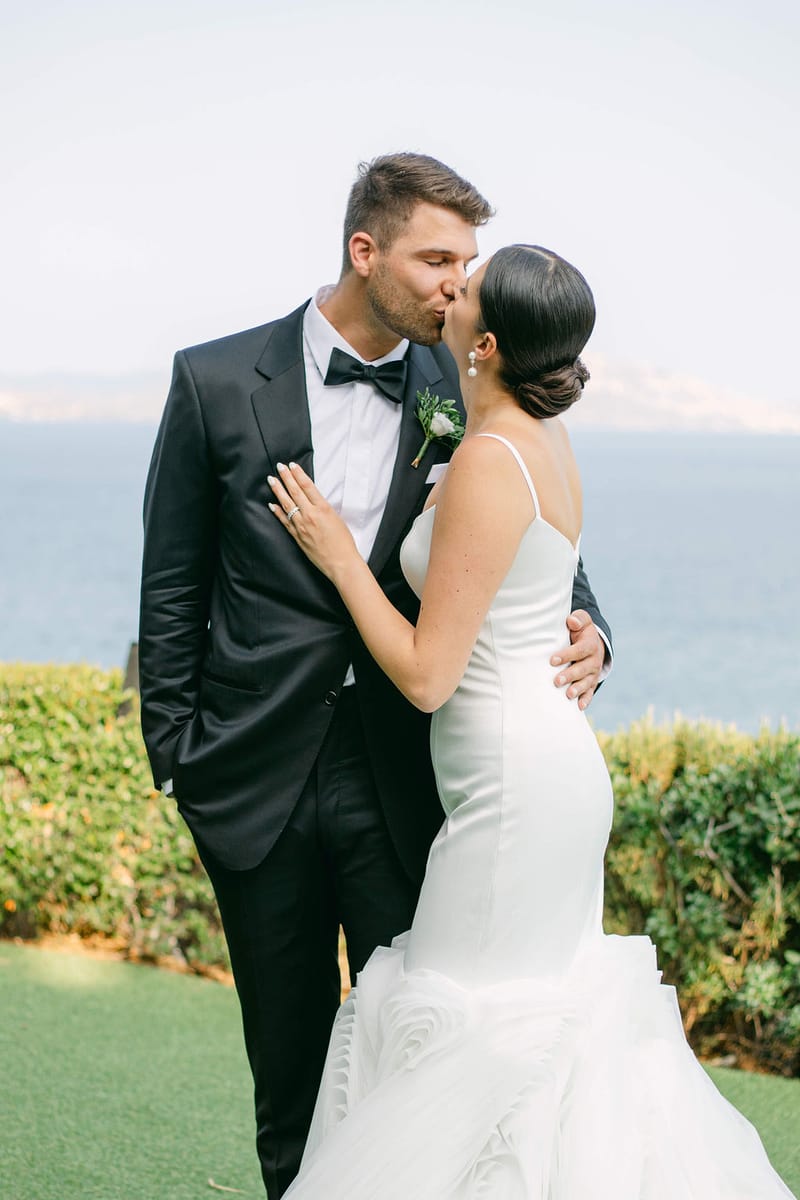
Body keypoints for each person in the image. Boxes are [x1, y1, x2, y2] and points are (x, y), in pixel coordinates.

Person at [269, 245, 795, 1199]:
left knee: (469, 1036)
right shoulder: (544, 440)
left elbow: (431, 676)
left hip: (510, 790)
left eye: (464, 289)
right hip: (549, 767)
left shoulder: (486, 458)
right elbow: (537, 591)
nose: (448, 291)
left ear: (489, 343)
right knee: (531, 1040)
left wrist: (342, 558)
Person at [138, 156, 611, 1198]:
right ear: (365, 252)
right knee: (291, 1074)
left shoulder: (467, 381)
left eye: (466, 264)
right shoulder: (213, 380)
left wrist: (595, 634)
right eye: (435, 258)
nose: (454, 282)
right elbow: (171, 586)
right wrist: (178, 759)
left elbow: (543, 551)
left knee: (419, 1063)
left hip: (413, 782)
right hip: (253, 779)